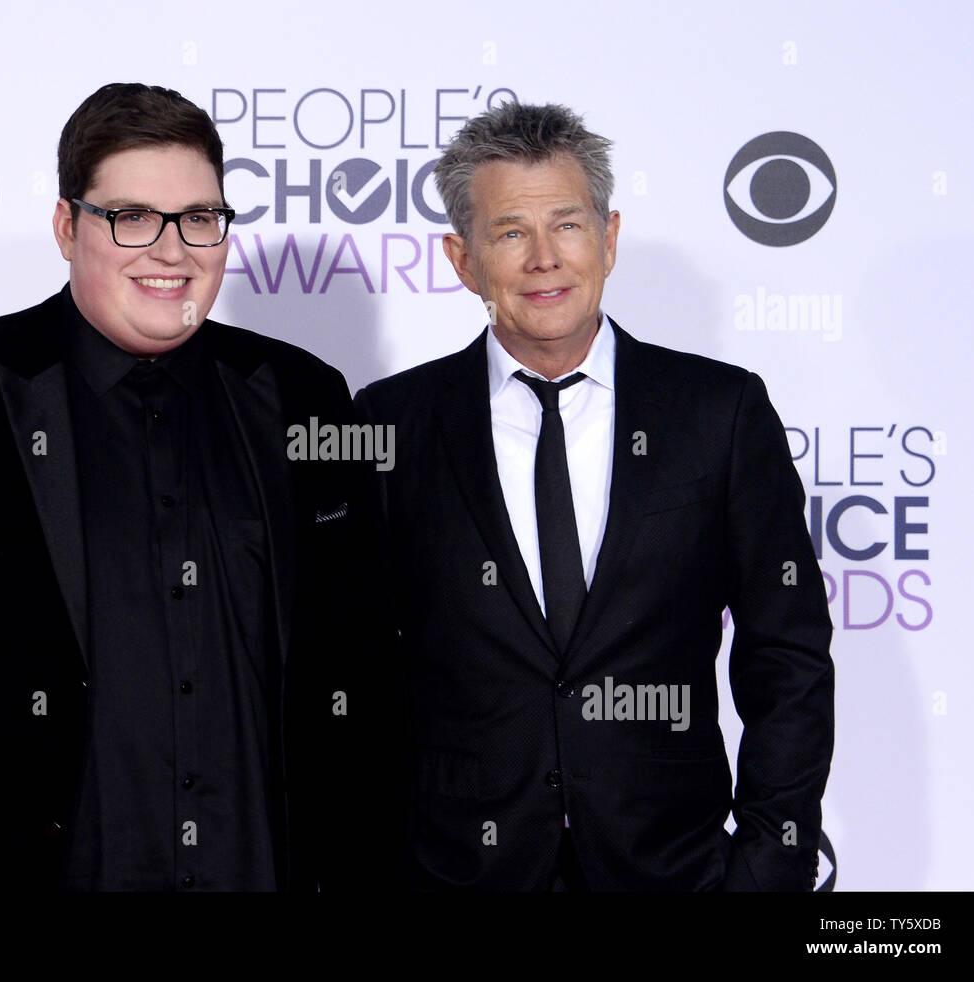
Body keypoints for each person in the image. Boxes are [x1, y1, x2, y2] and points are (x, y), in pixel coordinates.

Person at [0, 82, 387, 892]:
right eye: (132, 217)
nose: (172, 251)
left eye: (200, 218)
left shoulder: (304, 395)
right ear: (68, 227)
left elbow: (366, 677)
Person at [355, 101, 834, 891]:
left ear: (608, 240)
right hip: (456, 871)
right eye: (510, 233)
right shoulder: (389, 422)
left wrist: (770, 865)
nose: (545, 259)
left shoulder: (720, 412)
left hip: (675, 871)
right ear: (461, 258)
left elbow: (787, 656)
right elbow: (355, 670)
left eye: (568, 226)